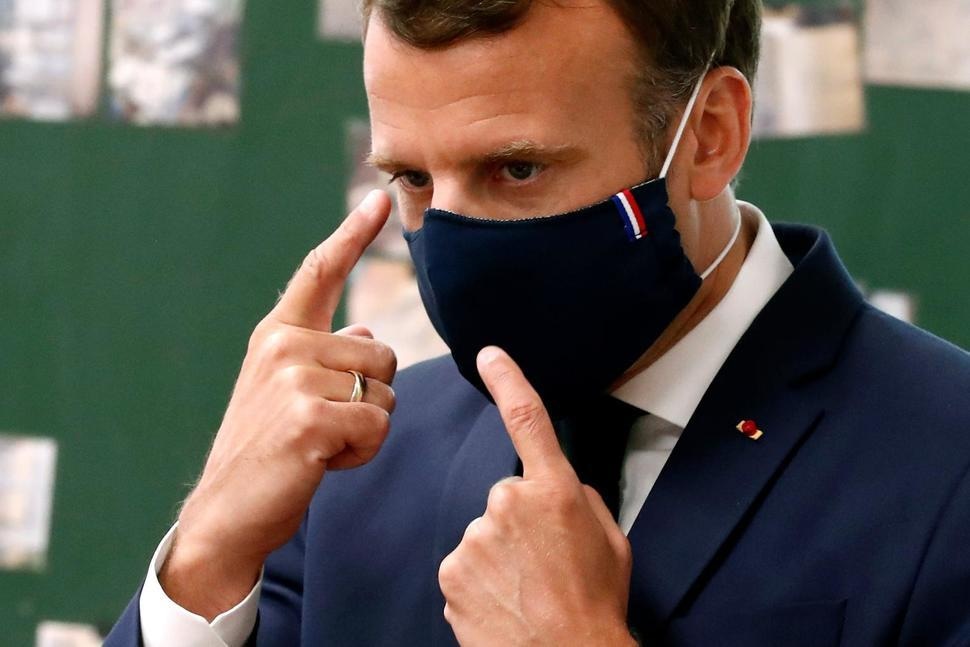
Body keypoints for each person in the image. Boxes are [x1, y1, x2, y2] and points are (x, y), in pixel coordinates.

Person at [105, 1, 970, 645]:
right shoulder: (361, 461)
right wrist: (206, 559)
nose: (450, 238)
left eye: (516, 168)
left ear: (710, 135)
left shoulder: (947, 465)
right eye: (410, 178)